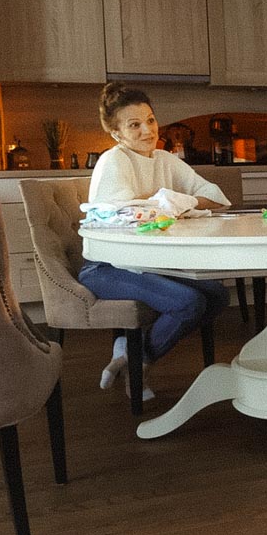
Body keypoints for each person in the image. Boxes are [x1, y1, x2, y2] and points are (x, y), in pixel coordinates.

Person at [79, 83, 230, 402]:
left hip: (147, 264)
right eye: (134, 125)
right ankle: (138, 365)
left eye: (150, 120)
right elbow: (125, 216)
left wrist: (175, 200)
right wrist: (170, 201)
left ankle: (133, 356)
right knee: (189, 303)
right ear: (116, 133)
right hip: (107, 267)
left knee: (217, 295)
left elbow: (217, 197)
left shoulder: (164, 160)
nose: (148, 130)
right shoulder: (113, 161)